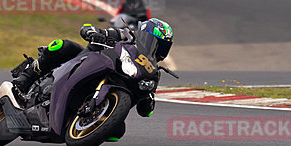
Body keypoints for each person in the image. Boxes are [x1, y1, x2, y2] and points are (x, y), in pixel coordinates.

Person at [11, 18, 174, 117]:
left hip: (112, 84)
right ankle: (26, 77)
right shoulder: (126, 36)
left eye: (163, 47)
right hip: (85, 62)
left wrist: (147, 98)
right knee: (62, 45)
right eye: (156, 44)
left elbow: (145, 112)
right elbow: (88, 28)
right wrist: (93, 33)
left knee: (116, 133)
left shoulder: (150, 72)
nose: (158, 49)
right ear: (145, 35)